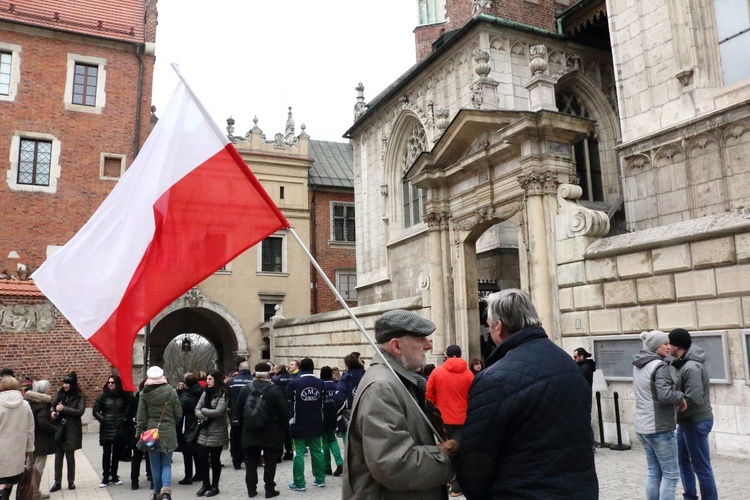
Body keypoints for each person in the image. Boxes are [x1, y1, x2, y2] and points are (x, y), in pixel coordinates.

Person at [455, 289, 598, 499]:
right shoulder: (568, 363)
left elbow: (476, 460)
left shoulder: (494, 379)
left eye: (489, 324)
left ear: (499, 327)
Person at [342, 309, 456, 499]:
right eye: (421, 339)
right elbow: (392, 463)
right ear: (396, 345)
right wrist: (446, 456)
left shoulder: (399, 381)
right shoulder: (382, 388)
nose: (428, 345)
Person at [633, 330, 686, 500]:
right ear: (656, 346)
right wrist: (680, 396)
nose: (668, 346)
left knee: (654, 473)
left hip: (643, 426)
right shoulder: (659, 366)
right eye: (665, 343)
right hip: (659, 426)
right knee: (670, 475)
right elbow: (665, 396)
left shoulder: (638, 364)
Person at [668, 328, 718, 500]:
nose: (667, 347)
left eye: (669, 343)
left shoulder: (691, 367)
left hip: (696, 421)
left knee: (701, 468)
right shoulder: (682, 363)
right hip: (686, 422)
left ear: (677, 345)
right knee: (683, 462)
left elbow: (694, 397)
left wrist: (673, 401)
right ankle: (689, 496)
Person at [234, 362, 290, 499]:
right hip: (271, 430)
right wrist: (282, 429)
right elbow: (284, 412)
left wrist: (245, 425)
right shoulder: (275, 389)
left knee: (251, 461)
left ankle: (251, 489)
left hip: (250, 430)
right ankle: (269, 489)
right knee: (270, 460)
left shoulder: (246, 389)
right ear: (269, 373)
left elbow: (237, 410)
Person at [426, 344, 474, 497]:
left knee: (444, 450)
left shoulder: (437, 372)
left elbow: (429, 394)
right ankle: (456, 485)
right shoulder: (469, 374)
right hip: (462, 417)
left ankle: (446, 478)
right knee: (459, 451)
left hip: (442, 418)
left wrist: (434, 411)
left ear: (446, 355)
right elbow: (472, 395)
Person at [136, 366, 181, 500]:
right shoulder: (171, 391)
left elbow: (141, 416)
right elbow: (178, 412)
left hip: (151, 432)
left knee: (155, 465)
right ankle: (166, 493)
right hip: (168, 431)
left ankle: (156, 493)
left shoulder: (144, 394)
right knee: (166, 464)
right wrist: (172, 423)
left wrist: (139, 432)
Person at [286, 357, 326, 491]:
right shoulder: (321, 383)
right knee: (317, 451)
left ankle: (299, 483)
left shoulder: (295, 383)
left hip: (299, 422)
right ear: (313, 367)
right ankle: (320, 479)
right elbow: (323, 401)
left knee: (298, 453)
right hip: (316, 421)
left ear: (301, 368)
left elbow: (289, 399)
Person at [93, 374, 132, 488]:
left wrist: (124, 419)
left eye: (112, 382)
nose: (110, 384)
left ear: (117, 384)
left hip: (119, 428)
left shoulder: (123, 396)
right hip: (106, 428)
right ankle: (105, 477)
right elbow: (95, 410)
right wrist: (103, 419)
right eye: (109, 382)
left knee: (116, 454)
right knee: (106, 453)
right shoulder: (103, 395)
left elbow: (129, 407)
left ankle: (114, 475)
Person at [194, 369, 229, 497]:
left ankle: (215, 486)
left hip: (217, 431)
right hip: (204, 430)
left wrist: (203, 411)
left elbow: (219, 411)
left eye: (210, 379)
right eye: (207, 379)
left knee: (215, 460)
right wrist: (204, 415)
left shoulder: (223, 394)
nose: (207, 381)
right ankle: (205, 484)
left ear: (216, 380)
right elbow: (196, 409)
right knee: (202, 458)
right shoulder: (205, 393)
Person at [0, 376, 35, 500]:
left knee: (1, 480)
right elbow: (30, 428)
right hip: (17, 450)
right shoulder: (25, 405)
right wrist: (30, 448)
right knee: (10, 479)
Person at [50, 371, 85, 492]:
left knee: (70, 457)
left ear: (73, 384)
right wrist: (52, 412)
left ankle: (71, 481)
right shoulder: (60, 393)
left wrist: (63, 408)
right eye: (64, 383)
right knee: (58, 457)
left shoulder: (79, 395)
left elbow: (80, 412)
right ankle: (57, 482)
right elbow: (53, 405)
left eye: (68, 383)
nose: (65, 386)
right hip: (59, 428)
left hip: (71, 429)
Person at [24, 379, 56, 500]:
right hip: (41, 440)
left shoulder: (29, 402)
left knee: (29, 466)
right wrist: (54, 428)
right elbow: (42, 422)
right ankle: (34, 492)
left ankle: (26, 491)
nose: (50, 390)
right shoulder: (43, 403)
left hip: (30, 439)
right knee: (38, 467)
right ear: (43, 390)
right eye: (49, 388)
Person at [333, 352, 366, 443]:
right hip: (366, 414)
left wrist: (338, 411)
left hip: (348, 416)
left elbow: (339, 398)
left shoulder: (345, 379)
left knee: (349, 448)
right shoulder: (367, 376)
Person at [227, 362, 254, 470]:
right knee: (249, 437)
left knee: (235, 438)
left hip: (235, 413)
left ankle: (236, 461)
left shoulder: (231, 381)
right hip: (250, 414)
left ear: (239, 369)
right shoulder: (253, 381)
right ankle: (248, 459)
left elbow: (227, 397)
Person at [177, 373, 202, 485]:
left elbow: (180, 410)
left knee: (187, 451)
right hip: (198, 422)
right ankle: (199, 474)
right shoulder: (202, 392)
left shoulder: (186, 396)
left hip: (187, 424)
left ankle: (188, 475)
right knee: (196, 450)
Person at [319, 366, 343, 477]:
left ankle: (327, 466)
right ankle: (339, 462)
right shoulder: (335, 386)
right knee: (333, 439)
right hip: (333, 415)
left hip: (322, 416)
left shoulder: (320, 386)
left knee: (324, 441)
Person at [127, 379, 151, 490]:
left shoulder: (136, 398)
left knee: (137, 456)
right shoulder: (152, 399)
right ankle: (149, 478)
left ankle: (134, 481)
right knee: (148, 454)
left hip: (137, 429)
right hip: (147, 429)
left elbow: (128, 414)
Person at [270, 363, 295, 460]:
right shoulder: (292, 377)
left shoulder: (276, 379)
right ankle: (289, 451)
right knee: (289, 431)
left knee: (279, 431)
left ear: (278, 369)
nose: (273, 370)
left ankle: (278, 453)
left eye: (274, 368)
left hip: (280, 407)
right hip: (290, 406)